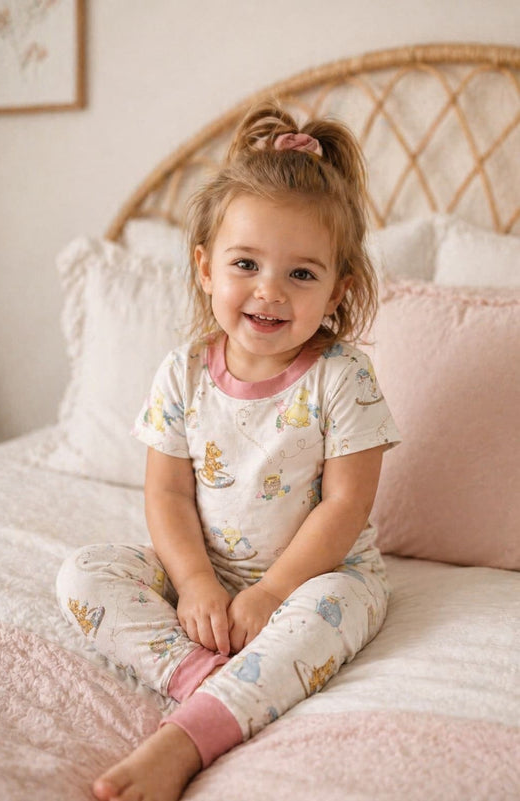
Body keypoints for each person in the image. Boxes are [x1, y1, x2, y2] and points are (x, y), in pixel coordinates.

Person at [56, 101, 401, 801]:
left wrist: (274, 591)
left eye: (302, 274)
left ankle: (185, 740)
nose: (269, 290)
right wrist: (193, 583)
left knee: (329, 616)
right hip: (208, 570)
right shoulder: (181, 372)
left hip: (316, 573)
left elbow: (346, 503)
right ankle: (203, 682)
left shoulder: (343, 378)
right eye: (246, 263)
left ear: (339, 288)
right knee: (82, 574)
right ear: (206, 267)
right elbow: (167, 494)